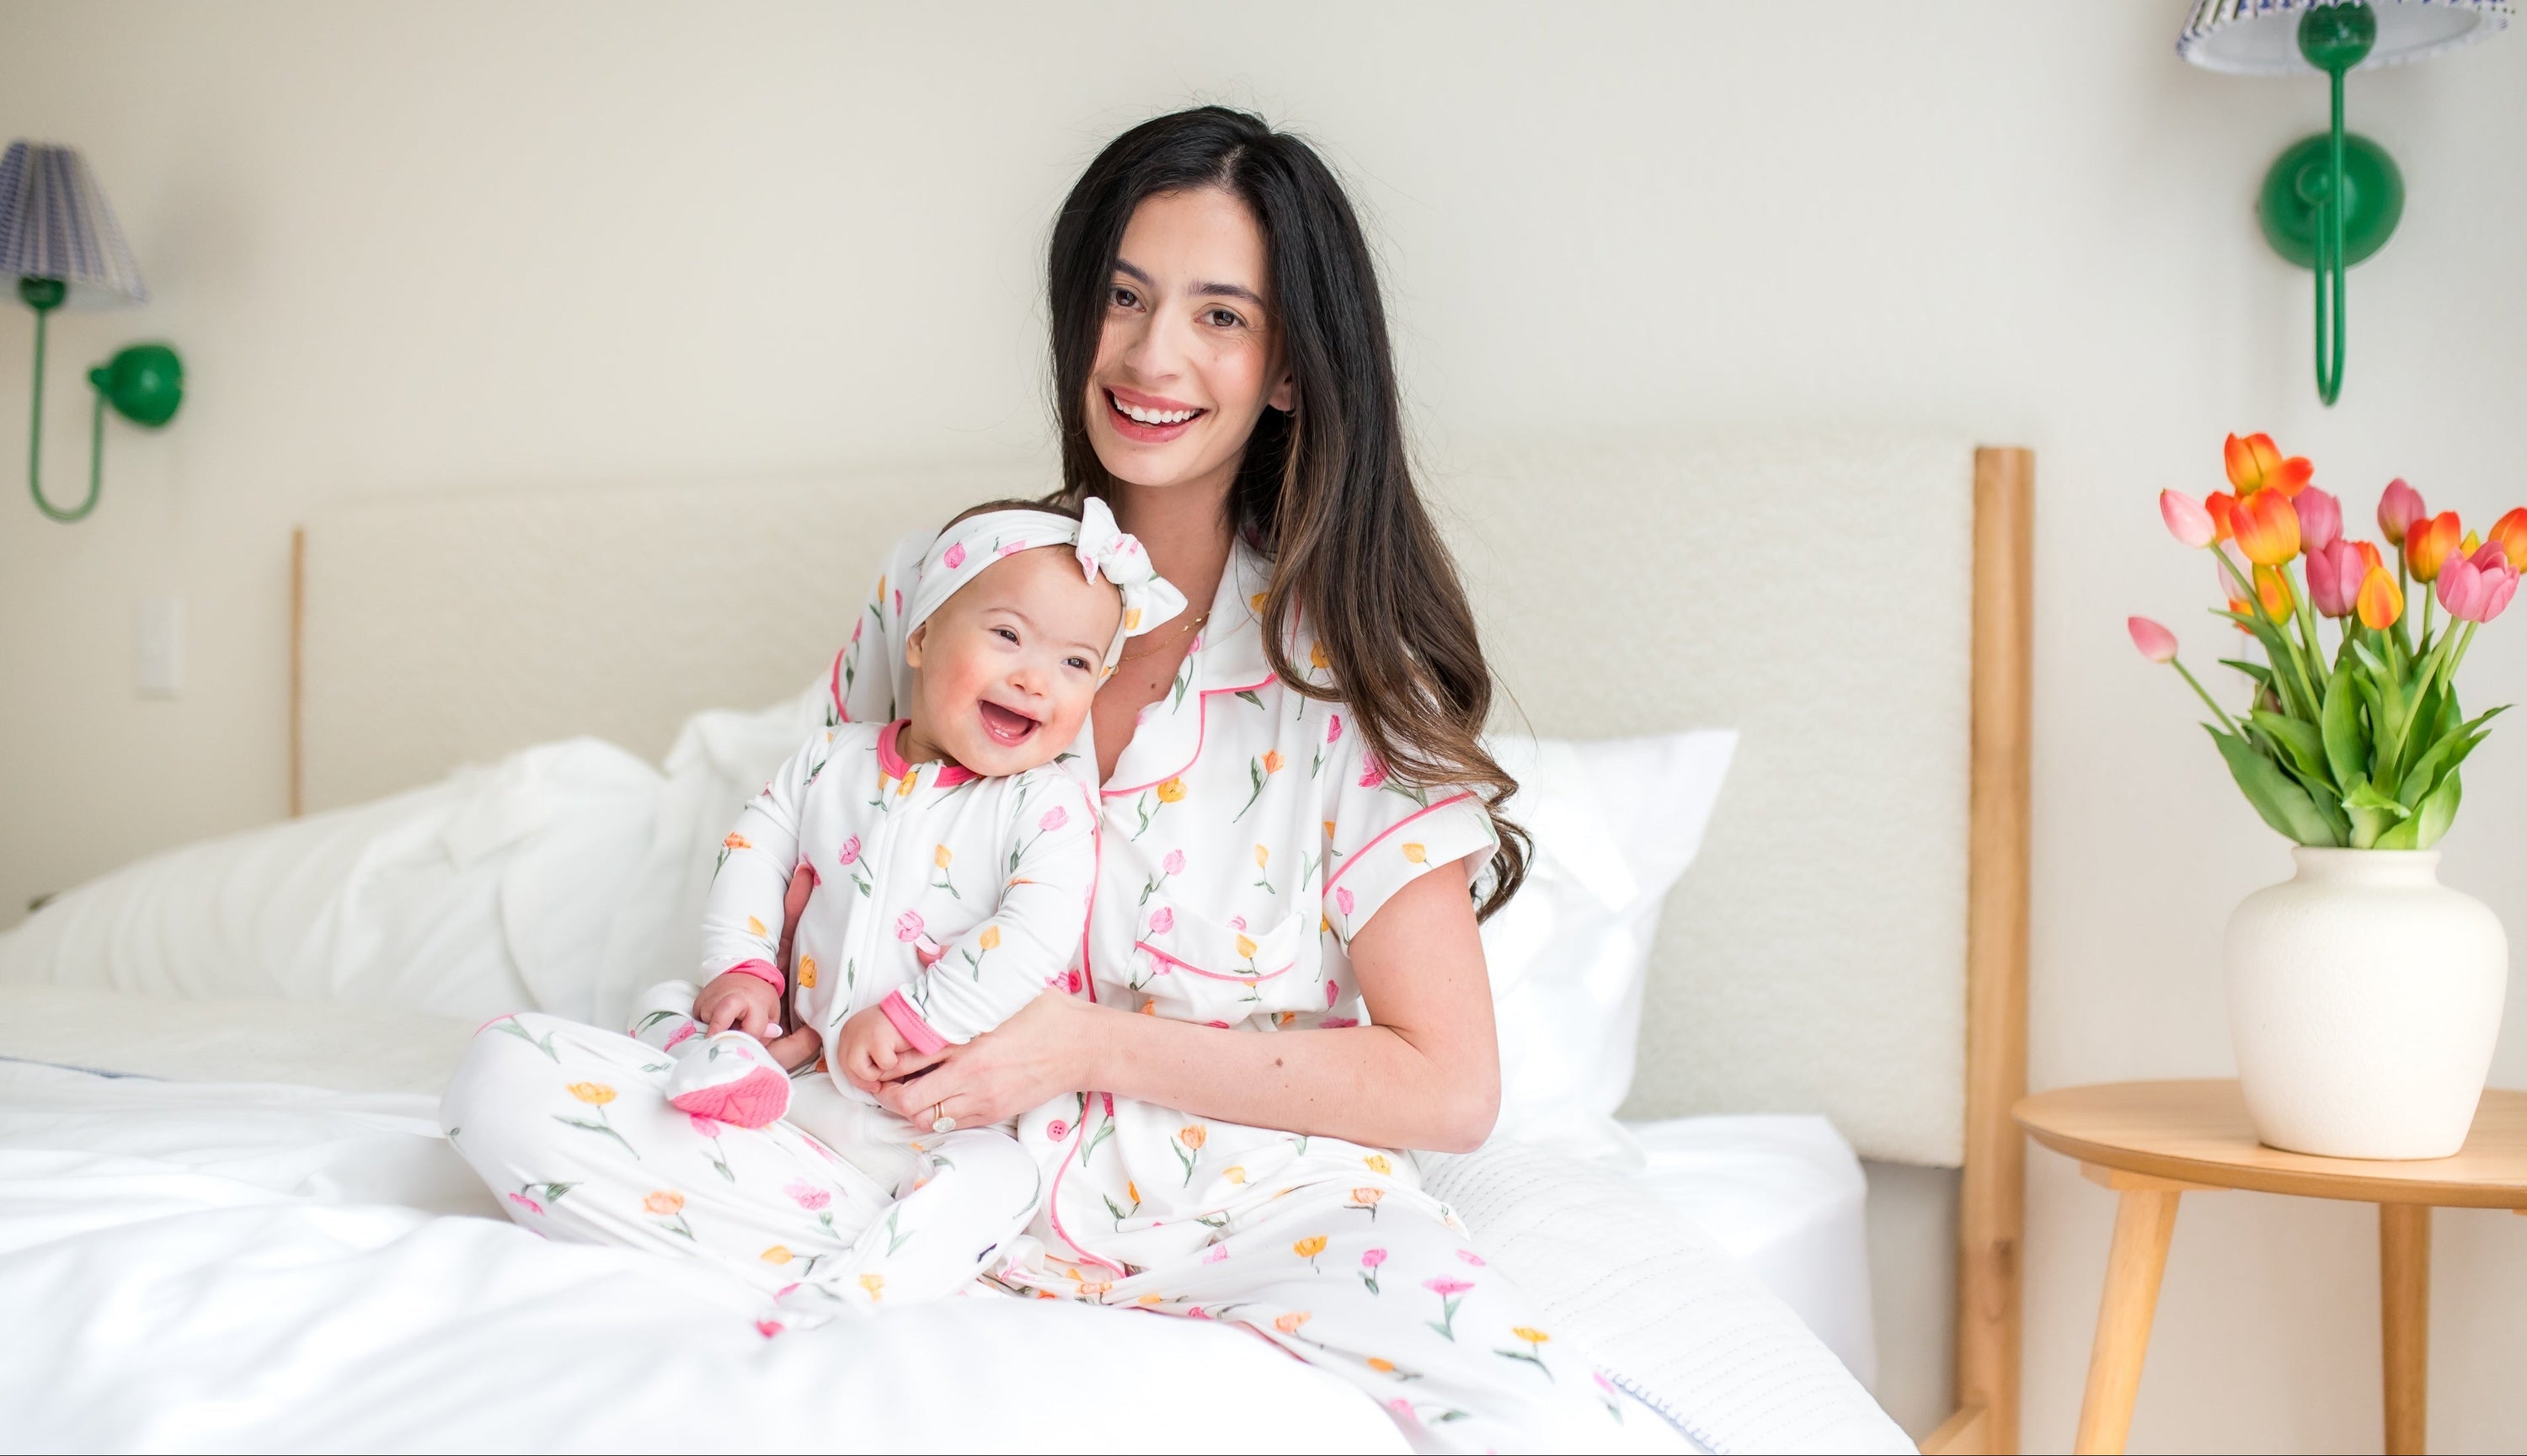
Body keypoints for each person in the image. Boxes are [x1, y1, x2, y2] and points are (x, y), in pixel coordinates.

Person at [444, 104, 1635, 1450]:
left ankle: (943, 1284)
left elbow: (1447, 1087)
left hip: (1235, 1218)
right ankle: (922, 1263)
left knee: (1534, 1407)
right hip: (885, 1162)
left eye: (1220, 317)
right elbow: (810, 868)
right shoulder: (943, 594)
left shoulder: (1347, 682)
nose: (1150, 354)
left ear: (1291, 370)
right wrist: (774, 1009)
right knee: (509, 1087)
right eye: (1124, 298)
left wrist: (1081, 1051)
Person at [444, 498, 1183, 1314]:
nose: (1035, 677)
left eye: (1077, 664)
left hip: (922, 1127)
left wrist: (914, 1018)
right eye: (1006, 635)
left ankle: (854, 1288)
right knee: (572, 1043)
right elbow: (755, 847)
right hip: (790, 1079)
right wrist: (744, 973)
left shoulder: (1045, 807)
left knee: (1004, 1177)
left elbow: (1032, 934)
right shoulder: (832, 760)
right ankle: (731, 1085)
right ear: (923, 636)